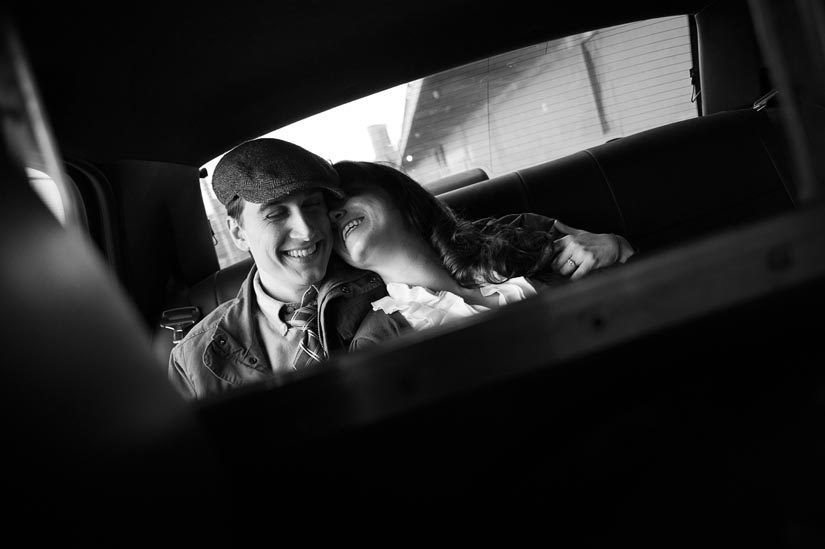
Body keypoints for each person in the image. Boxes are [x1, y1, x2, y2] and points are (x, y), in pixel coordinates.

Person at [168, 139, 407, 400]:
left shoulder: (392, 283)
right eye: (275, 214)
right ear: (238, 233)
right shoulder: (192, 359)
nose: (306, 232)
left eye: (312, 205)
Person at [327, 160, 636, 349]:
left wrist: (618, 248)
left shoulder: (522, 233)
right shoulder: (376, 341)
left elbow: (640, 303)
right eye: (326, 217)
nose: (335, 214)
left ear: (394, 193)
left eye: (345, 194)